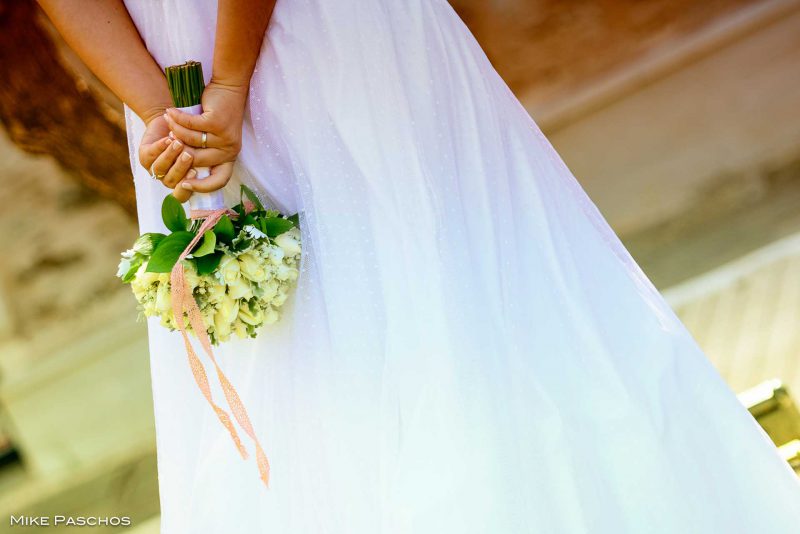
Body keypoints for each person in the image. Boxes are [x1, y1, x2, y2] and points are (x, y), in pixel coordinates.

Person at [39, 1, 800, 532]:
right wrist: (171, 121)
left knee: (433, 287)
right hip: (179, 85)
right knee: (300, 355)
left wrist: (227, 86)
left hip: (320, 43)